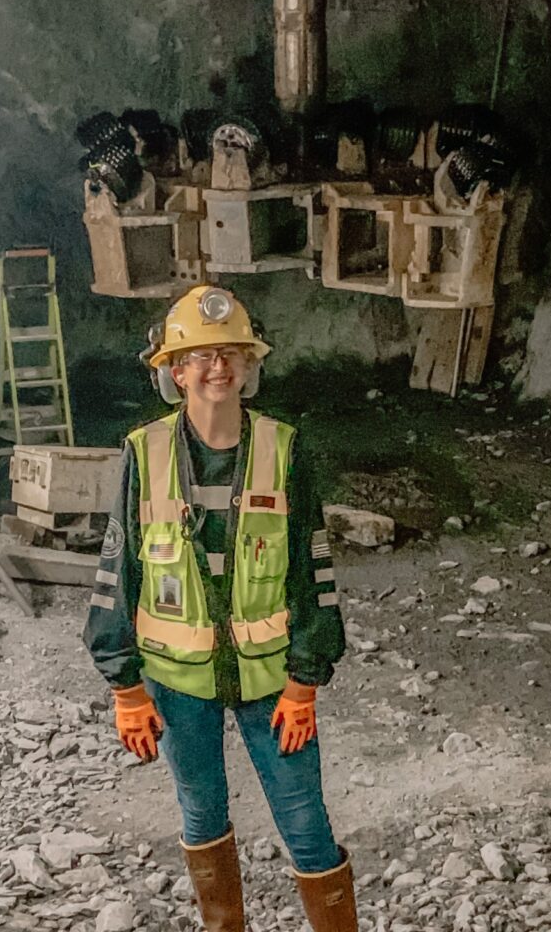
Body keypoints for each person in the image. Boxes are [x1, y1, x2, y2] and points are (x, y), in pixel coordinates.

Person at [83, 285, 358, 931]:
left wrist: (306, 682)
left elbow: (313, 570)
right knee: (202, 815)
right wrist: (125, 686)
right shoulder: (143, 453)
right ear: (173, 372)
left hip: (271, 681)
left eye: (231, 352)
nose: (217, 366)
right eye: (200, 355)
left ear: (249, 366)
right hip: (177, 682)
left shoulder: (285, 449)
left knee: (306, 823)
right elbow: (117, 569)